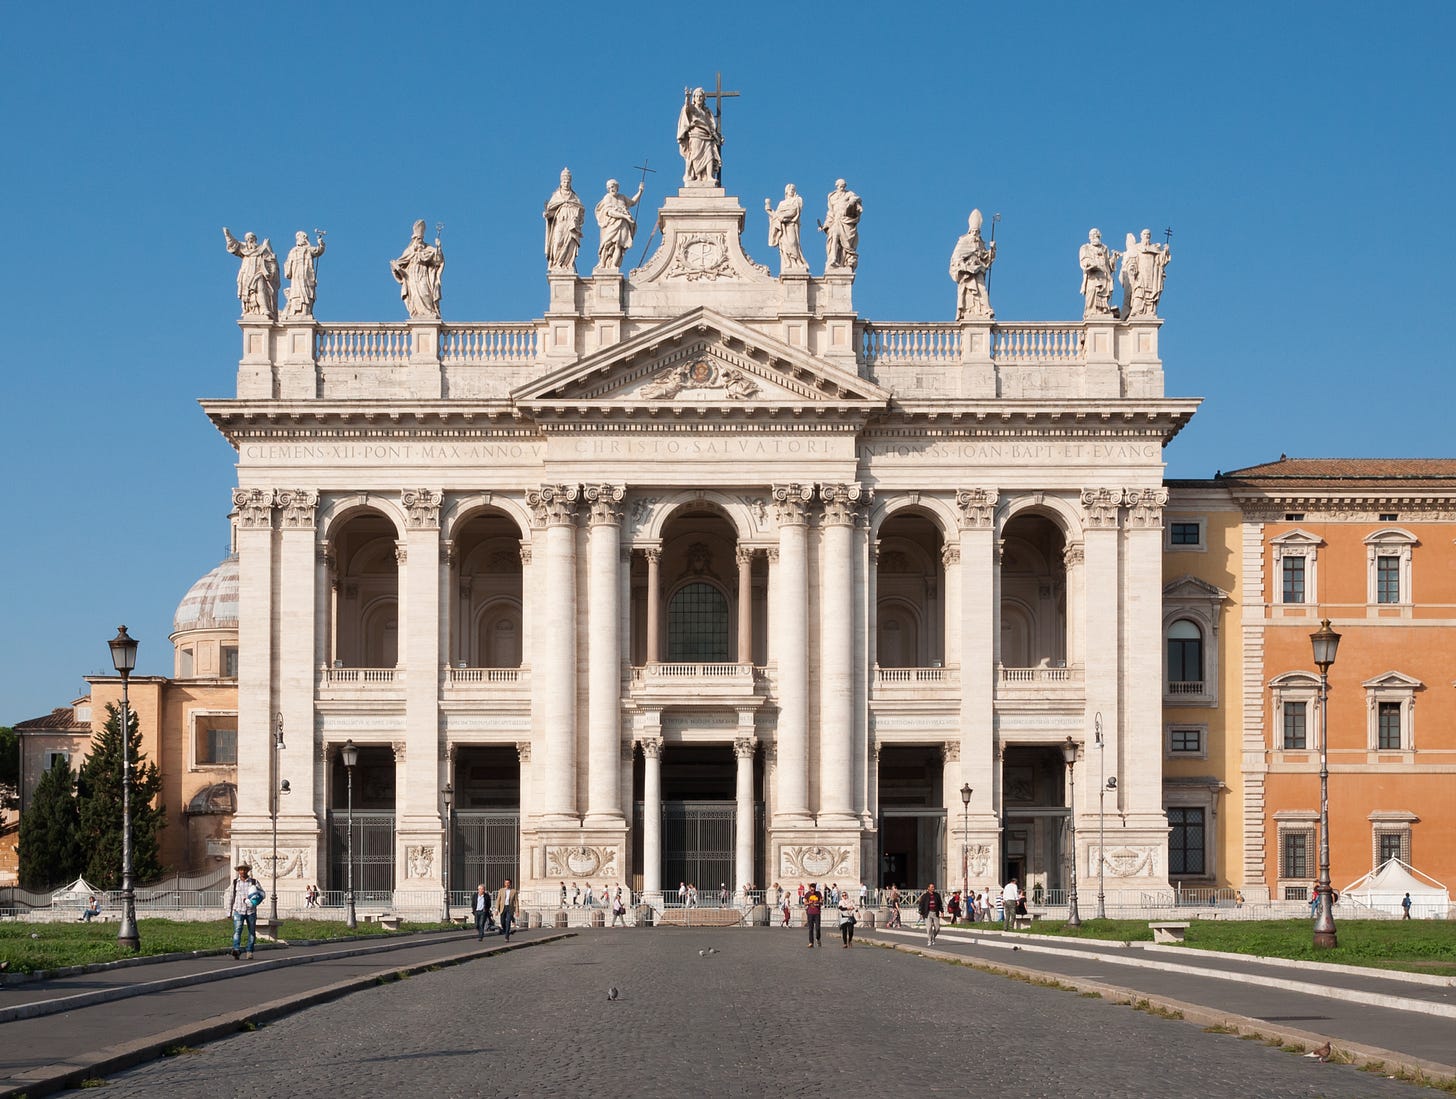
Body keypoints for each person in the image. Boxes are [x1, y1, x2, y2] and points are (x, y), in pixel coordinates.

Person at [390, 219, 444, 319]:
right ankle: (419, 314)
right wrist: (395, 267)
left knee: (425, 293)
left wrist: (439, 247)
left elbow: (438, 260)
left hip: (423, 275)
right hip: (411, 277)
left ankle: (429, 312)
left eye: (420, 239)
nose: (419, 242)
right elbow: (400, 265)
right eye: (417, 239)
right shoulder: (409, 251)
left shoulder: (428, 250)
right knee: (415, 296)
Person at [222, 228, 278, 320]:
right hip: (247, 273)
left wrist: (271, 273)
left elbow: (271, 261)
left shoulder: (262, 249)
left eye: (251, 238)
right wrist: (228, 235)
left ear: (255, 239)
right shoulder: (244, 249)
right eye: (247, 239)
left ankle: (263, 309)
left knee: (260, 288)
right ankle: (249, 310)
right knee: (247, 293)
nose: (250, 240)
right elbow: (233, 244)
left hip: (260, 273)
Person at [950, 209, 997, 319]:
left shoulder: (980, 243)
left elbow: (986, 259)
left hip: (978, 270)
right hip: (967, 273)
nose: (975, 234)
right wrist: (965, 267)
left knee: (982, 290)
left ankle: (985, 309)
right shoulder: (964, 241)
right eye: (974, 231)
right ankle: (981, 310)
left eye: (977, 231)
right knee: (974, 292)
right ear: (970, 231)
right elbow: (956, 258)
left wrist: (992, 249)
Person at [594, 179, 645, 270]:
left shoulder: (622, 197)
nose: (611, 189)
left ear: (617, 187)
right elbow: (610, 212)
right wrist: (624, 216)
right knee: (607, 244)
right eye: (609, 188)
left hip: (623, 225)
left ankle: (614, 265)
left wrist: (640, 191)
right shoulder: (608, 197)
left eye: (612, 187)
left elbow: (633, 202)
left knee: (618, 246)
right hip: (612, 224)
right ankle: (603, 263)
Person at [677, 87, 722, 185]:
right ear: (694, 98)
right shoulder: (692, 108)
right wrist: (687, 97)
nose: (699, 98)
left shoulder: (706, 111)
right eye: (697, 96)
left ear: (704, 98)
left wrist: (717, 137)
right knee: (696, 156)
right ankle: (698, 177)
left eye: (701, 96)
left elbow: (711, 126)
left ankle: (709, 177)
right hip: (696, 135)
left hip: (707, 136)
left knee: (709, 155)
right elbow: (686, 107)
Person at [543, 168, 585, 271]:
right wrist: (548, 215)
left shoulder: (574, 198)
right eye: (564, 182)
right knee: (557, 242)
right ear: (561, 183)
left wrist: (576, 216)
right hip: (560, 222)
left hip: (570, 224)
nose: (566, 183)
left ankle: (567, 264)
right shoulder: (556, 196)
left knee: (570, 242)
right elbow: (552, 209)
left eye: (568, 182)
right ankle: (556, 262)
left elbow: (581, 210)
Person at [820, 179, 862, 270]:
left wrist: (852, 203)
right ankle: (833, 259)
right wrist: (825, 225)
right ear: (837, 185)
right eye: (840, 185)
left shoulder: (849, 194)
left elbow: (857, 200)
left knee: (844, 245)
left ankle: (841, 262)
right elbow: (830, 213)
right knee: (834, 236)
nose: (842, 187)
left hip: (845, 220)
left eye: (843, 185)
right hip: (836, 221)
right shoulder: (832, 196)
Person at [283, 229, 326, 318]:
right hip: (296, 275)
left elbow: (318, 251)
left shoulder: (308, 249)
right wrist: (288, 270)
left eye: (302, 237)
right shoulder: (293, 251)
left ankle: (305, 309)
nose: (300, 239)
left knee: (307, 291)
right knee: (296, 292)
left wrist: (321, 244)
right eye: (298, 237)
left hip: (307, 274)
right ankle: (297, 310)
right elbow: (287, 263)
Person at [765, 184, 807, 272]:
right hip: (783, 227)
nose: (792, 190)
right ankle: (788, 262)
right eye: (790, 189)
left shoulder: (796, 200)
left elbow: (794, 211)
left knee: (792, 242)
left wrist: (783, 216)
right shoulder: (782, 203)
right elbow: (776, 215)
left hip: (791, 225)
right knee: (784, 244)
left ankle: (796, 262)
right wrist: (769, 210)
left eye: (793, 189)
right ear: (786, 191)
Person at [226, 862, 262, 960]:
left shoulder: (254, 882)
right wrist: (228, 912)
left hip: (251, 911)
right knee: (237, 931)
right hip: (238, 910)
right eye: (241, 869)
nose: (242, 871)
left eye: (244, 869)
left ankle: (249, 951)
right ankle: (236, 949)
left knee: (251, 932)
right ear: (238, 871)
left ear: (248, 870)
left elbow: (261, 895)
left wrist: (255, 901)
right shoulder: (235, 883)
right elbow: (231, 898)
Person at [1078, 227, 1117, 318]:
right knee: (1092, 292)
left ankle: (1102, 311)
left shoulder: (1104, 248)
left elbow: (1108, 264)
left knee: (1103, 294)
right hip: (1093, 275)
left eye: (1095, 235)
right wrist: (1090, 263)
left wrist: (1114, 258)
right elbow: (1084, 260)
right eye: (1091, 235)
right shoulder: (1085, 247)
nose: (1093, 237)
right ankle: (1091, 312)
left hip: (1104, 275)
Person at [803, 882, 824, 948]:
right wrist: (809, 903)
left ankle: (818, 939)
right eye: (812, 890)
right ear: (809, 889)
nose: (813, 891)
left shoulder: (818, 893)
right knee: (810, 928)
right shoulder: (807, 894)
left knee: (817, 928)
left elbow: (822, 902)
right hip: (810, 913)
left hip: (817, 913)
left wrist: (818, 902)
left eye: (814, 890)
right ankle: (811, 942)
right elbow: (805, 903)